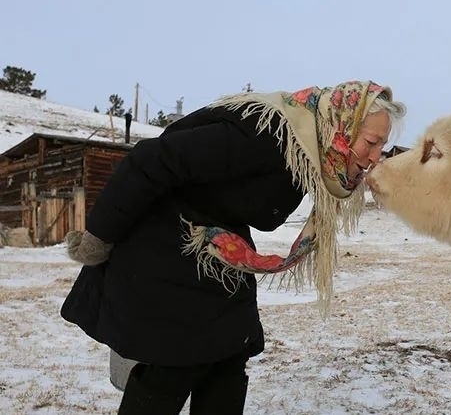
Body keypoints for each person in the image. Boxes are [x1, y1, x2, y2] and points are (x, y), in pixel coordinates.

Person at [59, 80, 406, 415]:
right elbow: (152, 159)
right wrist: (99, 235)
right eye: (371, 142)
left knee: (228, 361)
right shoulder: (266, 134)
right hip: (167, 243)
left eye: (382, 146)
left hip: (217, 250)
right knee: (176, 365)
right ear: (342, 125)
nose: (375, 156)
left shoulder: (309, 148)